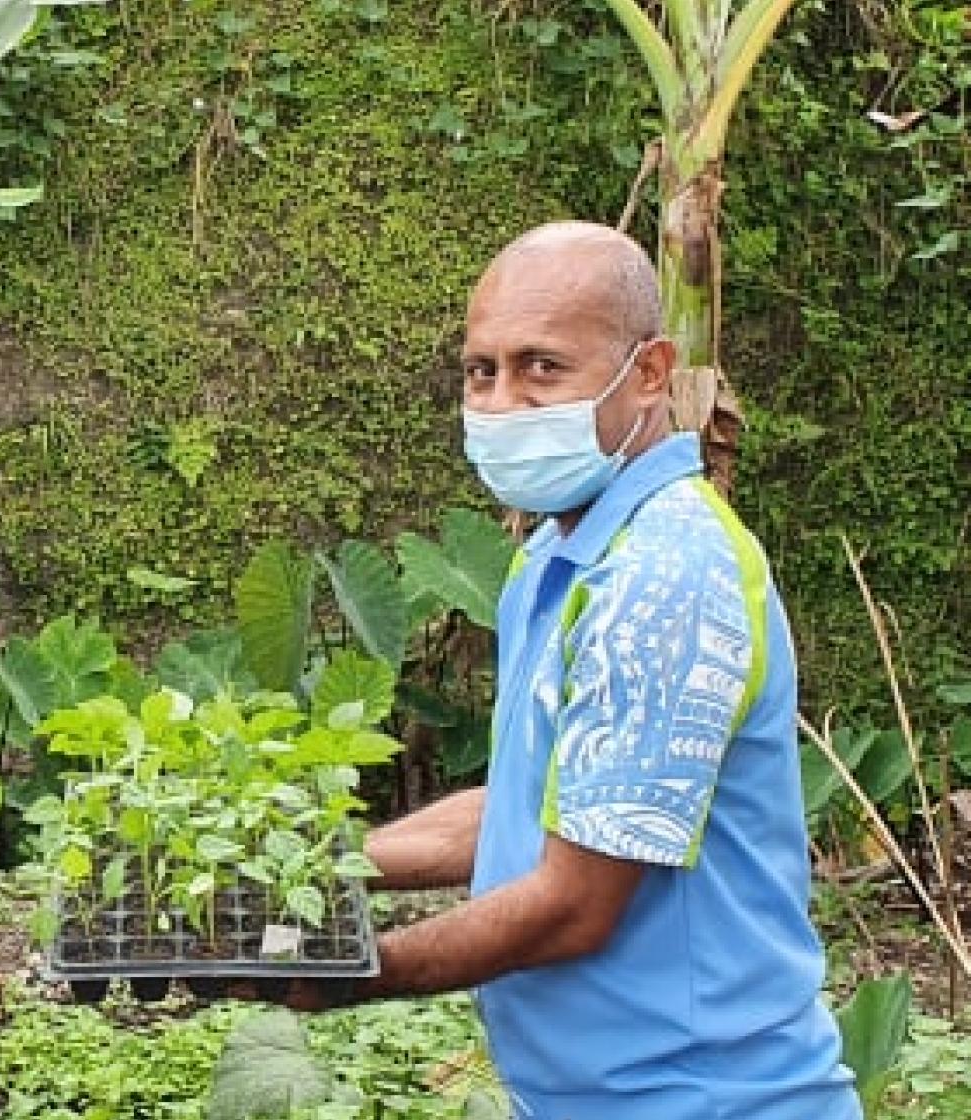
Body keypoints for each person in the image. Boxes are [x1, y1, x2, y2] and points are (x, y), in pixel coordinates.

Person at [272, 221, 859, 1118]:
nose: (504, 403)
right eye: (482, 371)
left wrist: (354, 974)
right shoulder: (558, 554)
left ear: (652, 373)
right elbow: (528, 805)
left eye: (543, 368)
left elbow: (574, 904)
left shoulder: (665, 571)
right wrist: (308, 862)